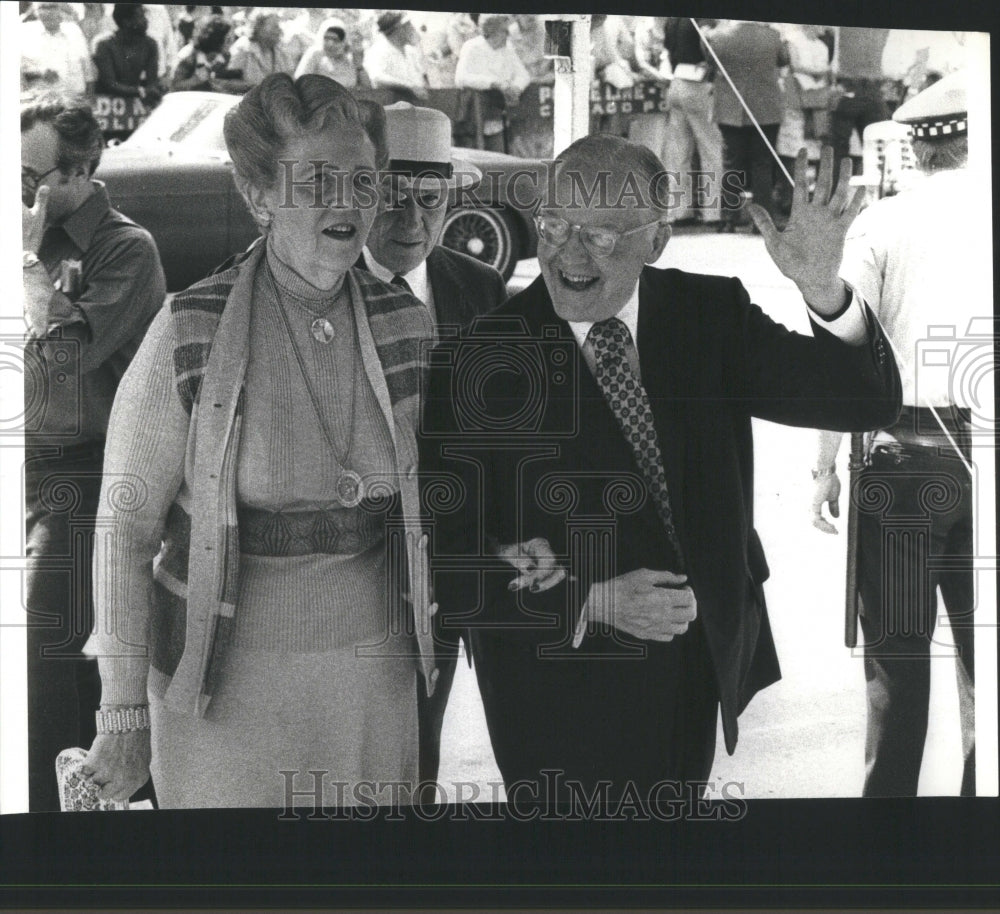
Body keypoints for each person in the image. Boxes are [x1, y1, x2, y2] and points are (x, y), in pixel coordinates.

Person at [418, 135, 901, 802]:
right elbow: (450, 561)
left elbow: (861, 400)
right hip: (557, 694)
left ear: (657, 240)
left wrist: (821, 287)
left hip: (695, 668)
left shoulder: (711, 314)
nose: (569, 253)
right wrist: (591, 600)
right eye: (555, 226)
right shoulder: (478, 360)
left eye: (604, 234)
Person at [80, 75, 439, 809]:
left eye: (364, 179)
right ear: (257, 197)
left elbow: (451, 500)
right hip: (220, 695)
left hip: (373, 683)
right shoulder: (189, 326)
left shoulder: (409, 323)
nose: (348, 202)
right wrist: (120, 713)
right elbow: (124, 529)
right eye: (318, 181)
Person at [811, 73, 980, 797]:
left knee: (896, 665)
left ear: (914, 146)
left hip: (903, 455)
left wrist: (823, 466)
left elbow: (840, 353)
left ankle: (890, 846)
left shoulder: (881, 222)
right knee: (990, 667)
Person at [357, 102, 508, 803]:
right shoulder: (321, 283)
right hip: (345, 570)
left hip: (448, 572)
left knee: (420, 747)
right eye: (392, 197)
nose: (412, 220)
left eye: (430, 199)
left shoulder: (479, 289)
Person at [21, 98, 166, 812]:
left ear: (77, 172)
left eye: (26, 178)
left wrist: (24, 262)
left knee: (36, 637)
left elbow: (66, 364)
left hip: (89, 469)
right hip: (22, 464)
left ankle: (43, 835)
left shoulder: (123, 249)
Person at [707, 20, 790, 230]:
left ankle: (728, 219)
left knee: (731, 163)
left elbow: (710, 61)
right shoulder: (773, 36)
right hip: (765, 107)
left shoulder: (718, 36)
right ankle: (762, 221)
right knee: (762, 163)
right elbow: (784, 60)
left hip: (730, 107)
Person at [661, 17, 724, 227]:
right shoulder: (703, 17)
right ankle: (712, 213)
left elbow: (668, 47)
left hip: (677, 82)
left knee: (678, 153)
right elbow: (710, 49)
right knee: (711, 150)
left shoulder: (673, 20)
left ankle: (680, 211)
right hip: (699, 82)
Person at [454, 14, 531, 153]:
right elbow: (461, 78)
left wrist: (516, 87)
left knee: (501, 156)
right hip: (473, 116)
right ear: (491, 32)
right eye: (504, 32)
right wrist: (493, 83)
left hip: (499, 115)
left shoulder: (507, 49)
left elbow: (523, 74)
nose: (507, 36)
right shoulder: (471, 47)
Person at [829, 27, 890, 183]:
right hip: (873, 87)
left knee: (838, 150)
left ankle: (836, 196)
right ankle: (875, 194)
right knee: (878, 149)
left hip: (847, 86)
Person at [92, 4, 163, 105]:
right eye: (140, 16)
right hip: (108, 104)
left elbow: (152, 82)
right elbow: (110, 84)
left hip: (135, 104)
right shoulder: (105, 45)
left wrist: (152, 90)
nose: (146, 21)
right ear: (127, 22)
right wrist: (141, 91)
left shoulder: (150, 44)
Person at [20, 1, 93, 98]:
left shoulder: (74, 31)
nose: (48, 12)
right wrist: (40, 73)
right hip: (40, 103)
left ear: (61, 10)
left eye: (52, 7)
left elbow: (88, 71)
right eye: (43, 7)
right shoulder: (26, 33)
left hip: (74, 101)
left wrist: (89, 99)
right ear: (36, 11)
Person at [363, 11, 429, 102]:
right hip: (390, 106)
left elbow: (420, 79)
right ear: (398, 29)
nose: (412, 29)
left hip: (414, 105)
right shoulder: (377, 50)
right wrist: (409, 87)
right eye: (408, 26)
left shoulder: (411, 51)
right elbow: (377, 78)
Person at [171, 14, 243, 94]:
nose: (232, 42)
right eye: (228, 39)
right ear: (217, 39)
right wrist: (195, 80)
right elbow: (175, 86)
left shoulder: (226, 56)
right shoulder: (189, 58)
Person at [226, 9, 295, 89]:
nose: (279, 30)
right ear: (259, 27)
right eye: (275, 26)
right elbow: (230, 83)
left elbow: (290, 82)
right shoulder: (243, 48)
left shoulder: (282, 53)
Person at [294, 17, 359, 87]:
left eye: (335, 40)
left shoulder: (349, 59)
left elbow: (367, 88)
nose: (330, 44)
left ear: (343, 41)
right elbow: (300, 82)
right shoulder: (315, 54)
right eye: (326, 39)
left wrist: (359, 66)